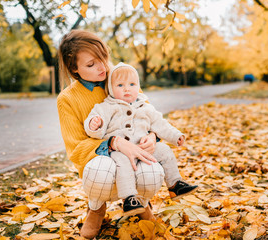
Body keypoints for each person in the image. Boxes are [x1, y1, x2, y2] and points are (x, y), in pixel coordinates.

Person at [57, 30, 165, 239]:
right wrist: (114, 143)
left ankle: (141, 203)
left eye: (103, 58)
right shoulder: (67, 99)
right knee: (103, 167)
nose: (103, 67)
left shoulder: (119, 75)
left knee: (153, 169)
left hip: (135, 156)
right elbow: (76, 149)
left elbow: (148, 113)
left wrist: (152, 136)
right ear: (74, 68)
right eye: (91, 65)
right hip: (100, 166)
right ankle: (97, 208)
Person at [84, 63, 198, 217]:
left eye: (132, 84)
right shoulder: (106, 107)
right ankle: (129, 198)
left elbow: (161, 124)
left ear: (138, 86)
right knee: (122, 164)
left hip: (144, 148)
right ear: (111, 88)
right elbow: (95, 128)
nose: (127, 89)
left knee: (164, 150)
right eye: (120, 85)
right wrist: (95, 124)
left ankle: (175, 185)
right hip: (121, 150)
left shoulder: (145, 107)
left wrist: (176, 136)